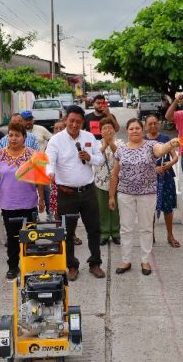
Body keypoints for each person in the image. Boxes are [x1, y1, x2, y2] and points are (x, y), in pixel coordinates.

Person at [108, 118, 179, 276]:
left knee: (146, 228)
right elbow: (114, 174)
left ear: (142, 130)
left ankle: (145, 260)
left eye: (137, 128)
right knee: (126, 228)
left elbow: (161, 150)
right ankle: (126, 260)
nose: (134, 131)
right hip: (125, 193)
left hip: (147, 194)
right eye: (131, 128)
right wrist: (111, 196)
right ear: (127, 131)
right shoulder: (120, 149)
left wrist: (170, 144)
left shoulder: (151, 145)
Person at [46, 105, 105, 281]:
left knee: (94, 229)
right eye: (71, 121)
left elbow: (100, 159)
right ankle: (71, 265)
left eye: (78, 122)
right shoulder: (56, 140)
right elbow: (49, 161)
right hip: (66, 193)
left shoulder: (89, 137)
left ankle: (95, 263)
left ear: (82, 122)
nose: (74, 124)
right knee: (67, 232)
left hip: (88, 191)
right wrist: (50, 173)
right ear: (65, 120)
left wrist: (89, 158)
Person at [0, 120, 45, 279]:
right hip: (8, 204)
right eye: (11, 135)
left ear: (24, 137)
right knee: (13, 237)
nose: (13, 138)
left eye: (17, 135)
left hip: (29, 203)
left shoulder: (32, 154)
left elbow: (39, 179)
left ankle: (31, 266)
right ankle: (13, 267)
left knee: (30, 236)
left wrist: (41, 199)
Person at [144, 114, 179, 247]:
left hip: (166, 177)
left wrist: (169, 164)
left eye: (155, 123)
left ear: (158, 124)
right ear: (145, 126)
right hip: (149, 179)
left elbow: (175, 157)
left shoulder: (165, 139)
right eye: (150, 123)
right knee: (149, 208)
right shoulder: (143, 141)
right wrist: (154, 169)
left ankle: (170, 235)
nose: (153, 126)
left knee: (168, 208)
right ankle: (150, 235)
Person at [94, 118, 123, 246]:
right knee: (102, 209)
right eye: (104, 128)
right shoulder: (96, 143)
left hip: (117, 181)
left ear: (114, 130)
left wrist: (111, 143)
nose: (107, 130)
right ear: (100, 131)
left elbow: (120, 154)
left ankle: (116, 233)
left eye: (110, 128)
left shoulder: (120, 142)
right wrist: (105, 144)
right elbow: (95, 157)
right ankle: (104, 233)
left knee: (116, 208)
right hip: (100, 181)